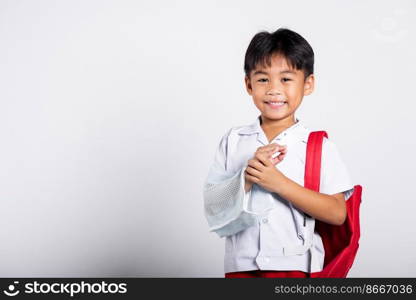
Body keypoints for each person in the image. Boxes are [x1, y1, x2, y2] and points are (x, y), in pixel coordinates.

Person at [203, 28, 354, 278]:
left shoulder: (317, 145)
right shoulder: (233, 140)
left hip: (296, 270)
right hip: (241, 268)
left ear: (308, 84)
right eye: (263, 79)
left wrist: (279, 184)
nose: (274, 89)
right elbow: (214, 206)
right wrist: (248, 178)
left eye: (285, 79)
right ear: (248, 84)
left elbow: (338, 214)